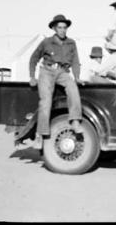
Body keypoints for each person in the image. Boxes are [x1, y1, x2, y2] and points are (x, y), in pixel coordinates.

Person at [29, 14, 84, 149]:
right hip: (47, 72)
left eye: (64, 28)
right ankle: (40, 135)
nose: (62, 30)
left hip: (62, 72)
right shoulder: (46, 42)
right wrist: (32, 76)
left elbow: (76, 61)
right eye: (59, 27)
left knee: (73, 89)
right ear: (54, 28)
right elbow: (33, 58)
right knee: (46, 102)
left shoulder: (71, 43)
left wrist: (77, 77)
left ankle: (75, 121)